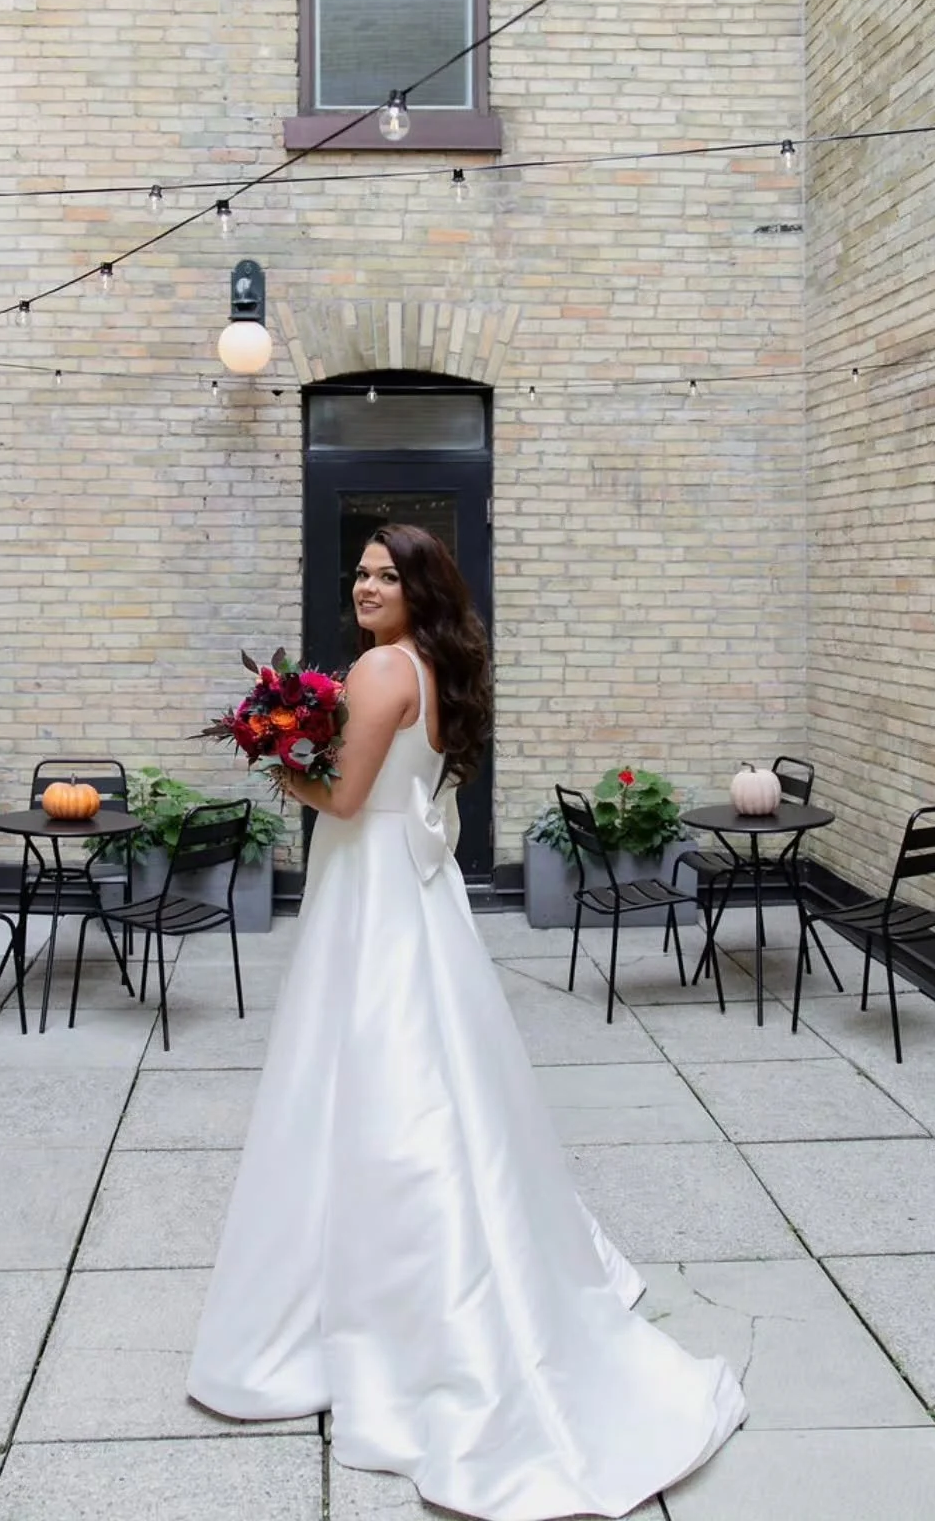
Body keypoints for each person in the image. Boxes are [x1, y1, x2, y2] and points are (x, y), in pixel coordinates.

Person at [187, 524, 744, 1520]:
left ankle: (376, 1308)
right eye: (360, 574)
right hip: (411, 887)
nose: (365, 587)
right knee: (429, 1068)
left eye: (385, 576)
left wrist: (275, 761)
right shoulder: (435, 668)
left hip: (371, 886)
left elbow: (344, 800)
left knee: (368, 1070)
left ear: (420, 588)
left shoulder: (378, 672)